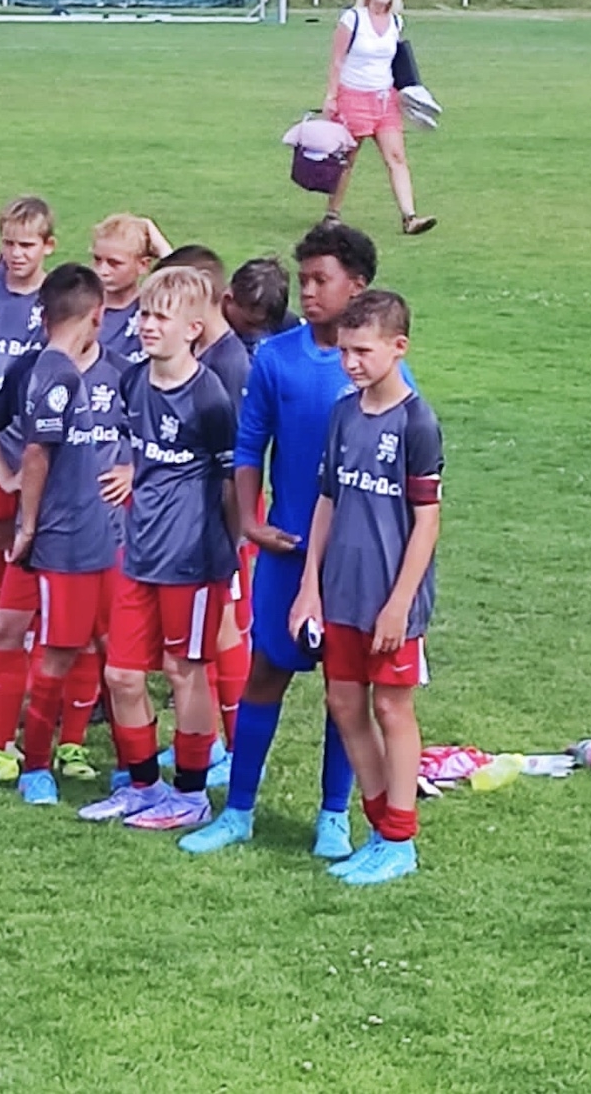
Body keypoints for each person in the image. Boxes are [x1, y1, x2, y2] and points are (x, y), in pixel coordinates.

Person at [179, 220, 416, 859]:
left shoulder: (380, 375)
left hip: (354, 567)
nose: (307, 292)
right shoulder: (277, 358)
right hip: (287, 552)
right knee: (265, 674)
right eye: (304, 280)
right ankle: (239, 810)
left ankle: (334, 815)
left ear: (356, 287)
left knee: (347, 693)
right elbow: (248, 446)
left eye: (321, 280)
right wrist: (251, 521)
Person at [0, 266, 131, 789]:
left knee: (92, 642)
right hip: (43, 533)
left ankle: (71, 745)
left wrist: (131, 469)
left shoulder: (121, 373)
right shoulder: (32, 368)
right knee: (9, 628)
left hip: (101, 534)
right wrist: (5, 477)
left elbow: (150, 436)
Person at [289, 290, 442, 885]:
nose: (350, 363)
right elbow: (327, 501)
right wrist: (310, 587)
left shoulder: (416, 422)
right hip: (341, 593)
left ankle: (400, 841)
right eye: (344, 351)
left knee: (390, 707)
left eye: (362, 351)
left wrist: (399, 604)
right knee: (344, 703)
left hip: (389, 599)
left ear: (398, 347)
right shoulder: (344, 414)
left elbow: (426, 521)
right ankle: (381, 829)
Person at [77, 267, 239, 831]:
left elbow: (232, 482)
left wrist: (231, 557)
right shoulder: (134, 382)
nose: (147, 325)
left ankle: (191, 794)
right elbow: (139, 453)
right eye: (145, 314)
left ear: (193, 329)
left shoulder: (210, 398)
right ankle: (143, 785)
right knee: (122, 675)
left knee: (184, 672)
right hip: (140, 552)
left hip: (192, 561)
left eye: (160, 317)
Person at [155, 246, 251, 770]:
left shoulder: (228, 363)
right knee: (207, 636)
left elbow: (233, 460)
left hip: (218, 518)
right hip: (194, 517)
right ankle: (210, 740)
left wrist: (232, 534)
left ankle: (235, 746)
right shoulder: (205, 355)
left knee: (225, 628)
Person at [0, 196, 54, 616]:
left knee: (40, 538)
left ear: (48, 246)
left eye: (27, 245)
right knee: (1, 538)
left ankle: (35, 625)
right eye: (9, 243)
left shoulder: (57, 299)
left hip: (39, 444)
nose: (16, 254)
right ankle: (1, 630)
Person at [323, 0, 436, 237]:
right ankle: (332, 213)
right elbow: (337, 60)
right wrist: (331, 96)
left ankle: (409, 217)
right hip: (353, 96)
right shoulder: (353, 19)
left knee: (397, 157)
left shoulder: (396, 22)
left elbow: (396, 62)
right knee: (347, 159)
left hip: (385, 99)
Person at [91, 213, 172, 362]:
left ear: (143, 265)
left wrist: (163, 250)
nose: (103, 271)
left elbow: (188, 287)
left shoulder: (155, 306)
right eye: (97, 260)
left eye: (114, 263)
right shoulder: (83, 309)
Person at [223, 256, 300, 355]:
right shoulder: (208, 332)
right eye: (250, 324)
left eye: (264, 326)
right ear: (228, 299)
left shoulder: (287, 323)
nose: (256, 334)